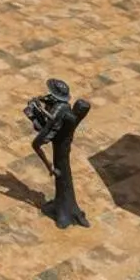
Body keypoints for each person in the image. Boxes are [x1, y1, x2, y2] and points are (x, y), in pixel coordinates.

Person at [27, 79, 91, 229]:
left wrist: (40, 111)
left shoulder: (64, 112)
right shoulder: (66, 108)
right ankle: (65, 206)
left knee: (60, 170)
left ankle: (66, 208)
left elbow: (50, 125)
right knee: (63, 173)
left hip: (61, 145)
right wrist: (41, 103)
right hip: (60, 144)